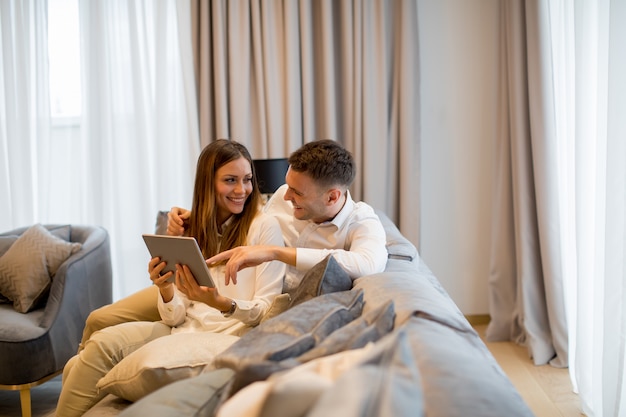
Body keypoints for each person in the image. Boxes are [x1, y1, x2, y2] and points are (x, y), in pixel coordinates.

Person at [56, 140, 286, 417]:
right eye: (230, 180)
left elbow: (266, 310)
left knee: (94, 353)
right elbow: (175, 317)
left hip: (227, 335)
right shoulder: (193, 229)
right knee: (102, 341)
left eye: (247, 180)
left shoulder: (264, 228)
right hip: (183, 328)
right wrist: (165, 287)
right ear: (207, 184)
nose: (242, 190)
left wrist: (222, 303)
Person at [168, 139, 388, 294]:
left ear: (332, 198)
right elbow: (250, 219)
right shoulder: (284, 195)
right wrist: (196, 217)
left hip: (258, 304)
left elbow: (367, 263)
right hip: (231, 289)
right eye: (288, 185)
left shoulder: (361, 221)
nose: (286, 195)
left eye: (298, 193)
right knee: (134, 310)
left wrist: (275, 253)